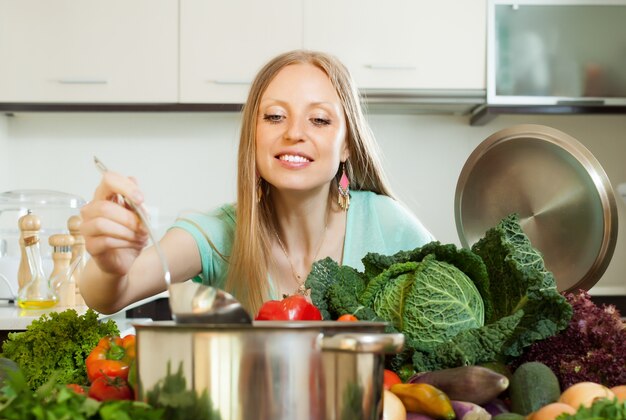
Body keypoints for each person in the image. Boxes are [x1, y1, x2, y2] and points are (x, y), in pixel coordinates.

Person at [79, 50, 434, 316]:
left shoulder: (387, 223)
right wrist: (111, 267)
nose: (294, 133)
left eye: (319, 120)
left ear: (346, 145)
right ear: (254, 135)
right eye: (275, 116)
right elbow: (109, 296)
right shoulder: (219, 234)